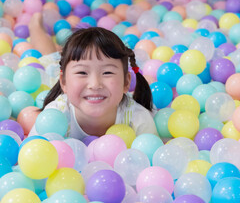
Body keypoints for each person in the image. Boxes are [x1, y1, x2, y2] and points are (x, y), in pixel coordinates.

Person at [28, 13, 159, 139]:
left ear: (126, 82)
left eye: (107, 72)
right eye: (82, 73)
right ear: (63, 82)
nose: (95, 84)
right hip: (52, 73)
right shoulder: (54, 117)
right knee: (48, 57)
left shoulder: (138, 120)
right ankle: (35, 26)